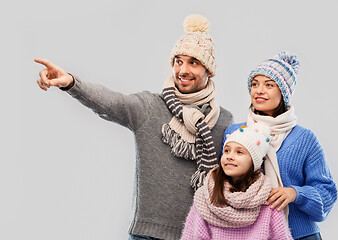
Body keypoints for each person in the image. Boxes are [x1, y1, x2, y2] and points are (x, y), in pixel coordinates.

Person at [34, 15, 233, 240]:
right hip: (145, 235)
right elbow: (111, 103)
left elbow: (244, 173)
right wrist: (71, 82)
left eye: (193, 62)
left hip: (199, 235)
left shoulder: (224, 121)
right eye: (178, 61)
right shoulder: (150, 107)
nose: (183, 70)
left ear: (209, 70)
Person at [223, 51, 338, 240]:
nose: (259, 91)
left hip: (300, 235)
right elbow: (222, 184)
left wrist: (295, 193)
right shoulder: (235, 133)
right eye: (254, 84)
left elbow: (327, 192)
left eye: (269, 85)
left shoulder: (304, 138)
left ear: (284, 93)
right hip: (249, 233)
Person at [181, 124, 293, 240]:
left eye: (239, 152)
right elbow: (190, 237)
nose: (230, 156)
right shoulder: (205, 196)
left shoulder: (268, 200)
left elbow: (282, 237)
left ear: (254, 162)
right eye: (227, 150)